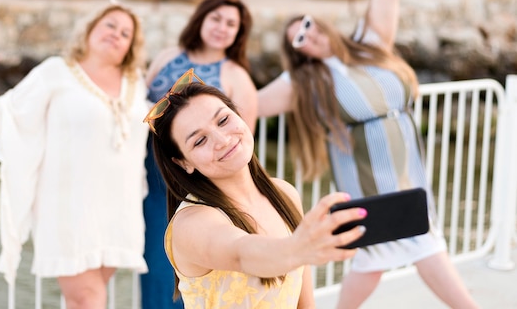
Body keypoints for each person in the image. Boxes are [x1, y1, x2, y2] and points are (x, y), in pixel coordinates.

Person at [257, 0, 480, 309]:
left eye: (306, 25)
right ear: (296, 53)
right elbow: (249, 105)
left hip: (408, 168)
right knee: (394, 251)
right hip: (364, 177)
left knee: (400, 250)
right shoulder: (302, 81)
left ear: (319, 22)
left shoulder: (368, 46)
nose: (305, 37)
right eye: (296, 40)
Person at [0, 2, 150, 309]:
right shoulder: (56, 72)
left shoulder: (135, 82)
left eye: (126, 33)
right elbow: (7, 108)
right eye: (110, 25)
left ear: (130, 47)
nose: (116, 35)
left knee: (88, 297)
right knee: (87, 298)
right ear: (89, 29)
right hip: (69, 207)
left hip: (118, 207)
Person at [143, 70, 366, 307]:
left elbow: (305, 304)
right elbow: (241, 253)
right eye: (199, 141)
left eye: (223, 120)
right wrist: (298, 248)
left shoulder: (284, 194)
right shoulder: (191, 223)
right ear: (183, 162)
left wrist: (301, 249)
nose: (222, 140)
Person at [141, 0, 258, 308]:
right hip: (153, 176)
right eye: (216, 18)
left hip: (199, 179)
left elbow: (242, 142)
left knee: (190, 262)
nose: (222, 27)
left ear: (238, 33)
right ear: (201, 19)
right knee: (154, 259)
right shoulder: (168, 56)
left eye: (231, 23)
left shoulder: (236, 75)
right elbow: (139, 101)